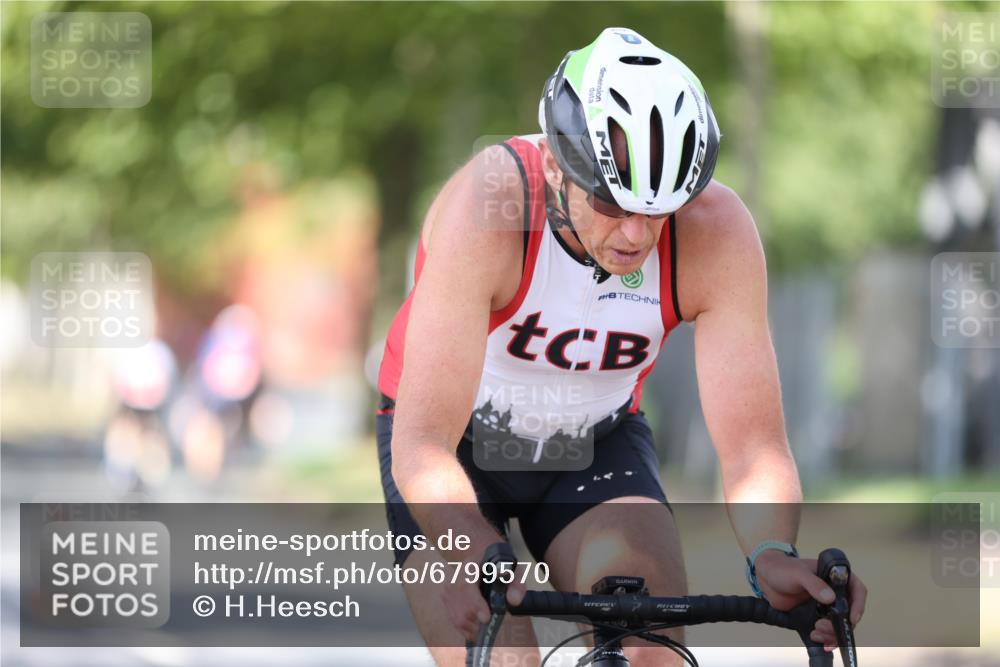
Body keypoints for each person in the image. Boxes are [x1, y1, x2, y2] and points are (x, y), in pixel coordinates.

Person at [376, 27, 867, 667]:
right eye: (612, 202)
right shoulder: (490, 206)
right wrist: (467, 547)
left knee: (650, 641)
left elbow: (752, 449)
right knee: (503, 654)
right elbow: (422, 445)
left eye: (661, 208)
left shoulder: (715, 232)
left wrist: (770, 552)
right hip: (454, 449)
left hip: (591, 442)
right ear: (556, 165)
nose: (636, 234)